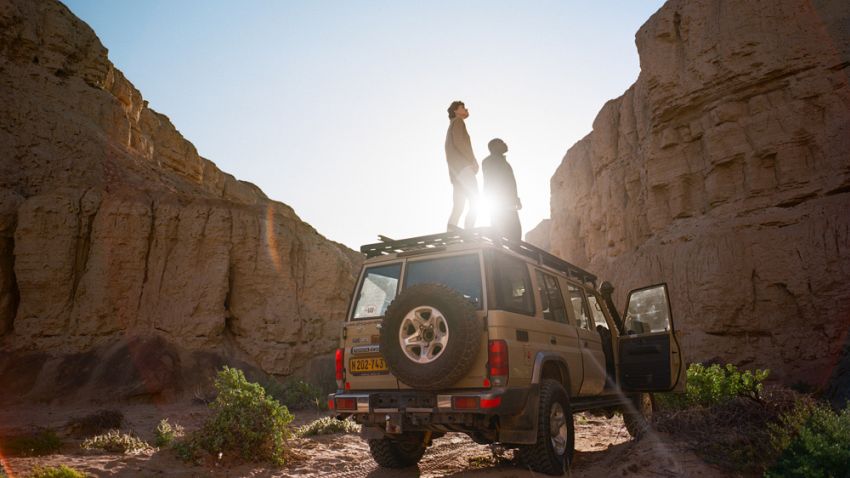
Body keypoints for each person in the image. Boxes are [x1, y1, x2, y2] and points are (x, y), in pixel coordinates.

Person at [445, 101, 479, 231]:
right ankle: (469, 231)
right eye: (463, 107)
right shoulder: (458, 122)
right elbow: (459, 142)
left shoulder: (451, 126)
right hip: (464, 168)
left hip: (456, 172)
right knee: (475, 200)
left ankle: (450, 233)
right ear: (456, 111)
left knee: (458, 206)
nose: (466, 109)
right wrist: (472, 160)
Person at [482, 138, 522, 241]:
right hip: (500, 203)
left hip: (508, 203)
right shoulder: (489, 161)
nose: (505, 144)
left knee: (515, 234)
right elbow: (491, 182)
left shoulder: (503, 162)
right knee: (503, 233)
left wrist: (516, 199)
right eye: (502, 143)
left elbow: (510, 183)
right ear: (494, 146)